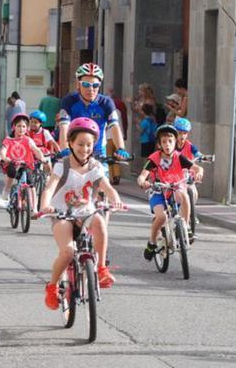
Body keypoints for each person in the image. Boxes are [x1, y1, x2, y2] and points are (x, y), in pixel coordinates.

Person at [38, 117, 123, 310]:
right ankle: (52, 287)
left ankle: (101, 268)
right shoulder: (62, 165)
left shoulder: (95, 166)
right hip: (62, 214)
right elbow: (49, 188)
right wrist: (45, 206)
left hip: (86, 213)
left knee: (99, 221)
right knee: (68, 252)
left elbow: (107, 187)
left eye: (89, 145)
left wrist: (115, 199)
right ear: (70, 143)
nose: (84, 149)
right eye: (80, 144)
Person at [137, 124, 203, 259]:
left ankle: (186, 226)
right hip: (158, 191)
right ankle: (152, 242)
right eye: (164, 142)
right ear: (159, 144)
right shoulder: (154, 158)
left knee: (184, 194)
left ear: (175, 142)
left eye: (170, 141)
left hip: (175, 188)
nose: (167, 145)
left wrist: (199, 173)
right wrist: (143, 181)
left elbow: (197, 168)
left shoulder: (179, 157)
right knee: (161, 217)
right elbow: (142, 175)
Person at [57, 63, 130, 163]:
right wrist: (65, 148)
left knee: (103, 177)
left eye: (95, 85)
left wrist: (121, 148)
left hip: (98, 152)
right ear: (78, 85)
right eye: (86, 85)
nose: (91, 89)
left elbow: (115, 127)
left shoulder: (106, 103)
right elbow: (64, 127)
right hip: (75, 151)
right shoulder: (69, 101)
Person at [0, 113, 47, 206]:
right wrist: (5, 158)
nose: (21, 129)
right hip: (13, 164)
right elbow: (3, 150)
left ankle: (34, 206)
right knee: (11, 172)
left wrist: (42, 158)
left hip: (26, 165)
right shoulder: (9, 140)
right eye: (19, 126)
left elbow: (36, 149)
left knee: (31, 183)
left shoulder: (28, 140)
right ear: (14, 127)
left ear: (27, 128)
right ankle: (6, 190)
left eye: (24, 126)